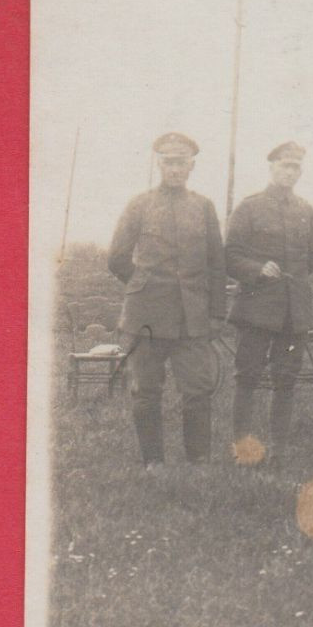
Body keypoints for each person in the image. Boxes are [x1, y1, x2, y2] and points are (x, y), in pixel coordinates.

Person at [108, 132, 227, 467]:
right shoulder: (139, 205)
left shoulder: (203, 207)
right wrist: (144, 285)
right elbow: (117, 257)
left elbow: (217, 264)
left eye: (181, 163)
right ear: (160, 164)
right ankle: (153, 464)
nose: (175, 169)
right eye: (169, 162)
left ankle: (198, 462)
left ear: (191, 166)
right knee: (145, 392)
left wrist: (216, 313)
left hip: (192, 318)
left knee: (198, 391)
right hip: (145, 318)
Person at [223, 140, 313, 465]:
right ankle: (243, 448)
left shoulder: (306, 210)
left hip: (293, 311)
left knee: (286, 380)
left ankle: (278, 449)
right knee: (247, 377)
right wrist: (256, 269)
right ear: (272, 167)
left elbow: (310, 260)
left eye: (295, 167)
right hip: (256, 307)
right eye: (284, 165)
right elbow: (229, 255)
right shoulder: (249, 207)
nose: (289, 172)